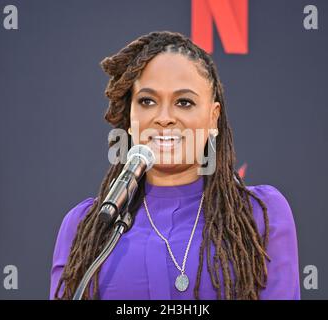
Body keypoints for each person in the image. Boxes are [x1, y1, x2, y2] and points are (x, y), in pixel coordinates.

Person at [49, 31, 300, 300]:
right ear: (130, 114)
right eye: (147, 101)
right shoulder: (87, 226)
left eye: (184, 102)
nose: (164, 117)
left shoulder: (260, 214)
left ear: (213, 117)